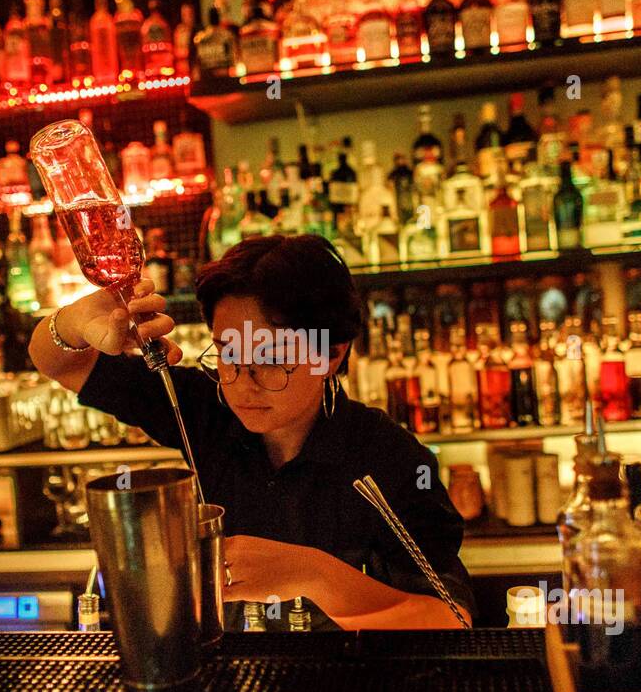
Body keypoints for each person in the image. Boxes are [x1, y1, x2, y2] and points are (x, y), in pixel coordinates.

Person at [30, 234, 474, 631]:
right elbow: (59, 362)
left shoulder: (391, 458)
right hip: (237, 689)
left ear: (332, 356)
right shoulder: (206, 411)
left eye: (270, 357)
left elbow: (450, 621)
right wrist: (76, 321)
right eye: (228, 353)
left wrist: (312, 573)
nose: (242, 380)